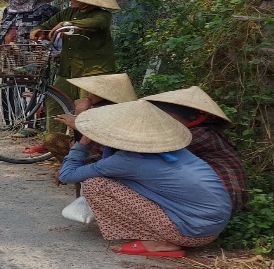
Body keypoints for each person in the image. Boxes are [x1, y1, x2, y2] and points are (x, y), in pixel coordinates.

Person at [57, 99, 232, 257]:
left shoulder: (126, 160)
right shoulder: (171, 148)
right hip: (211, 229)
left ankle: (158, 242)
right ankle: (163, 236)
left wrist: (84, 141)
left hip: (191, 233)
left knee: (95, 185)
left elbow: (66, 175)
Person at [24, 0, 120, 155]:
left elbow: (95, 24)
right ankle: (52, 144)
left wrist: (68, 25)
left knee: (85, 110)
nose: (71, 0)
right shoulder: (67, 12)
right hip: (68, 68)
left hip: (93, 70)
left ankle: (86, 150)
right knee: (54, 102)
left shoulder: (102, 15)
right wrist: (37, 31)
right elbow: (46, 25)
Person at [144, 86, 247, 214]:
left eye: (167, 116)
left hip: (223, 198)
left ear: (184, 117)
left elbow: (149, 150)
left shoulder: (197, 135)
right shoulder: (201, 131)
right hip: (217, 197)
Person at [48, 72, 137, 160]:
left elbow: (88, 143)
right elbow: (76, 141)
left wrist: (79, 116)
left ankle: (76, 169)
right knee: (53, 139)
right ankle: (71, 167)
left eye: (92, 91)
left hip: (111, 156)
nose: (87, 93)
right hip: (91, 148)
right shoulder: (97, 107)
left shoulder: (118, 112)